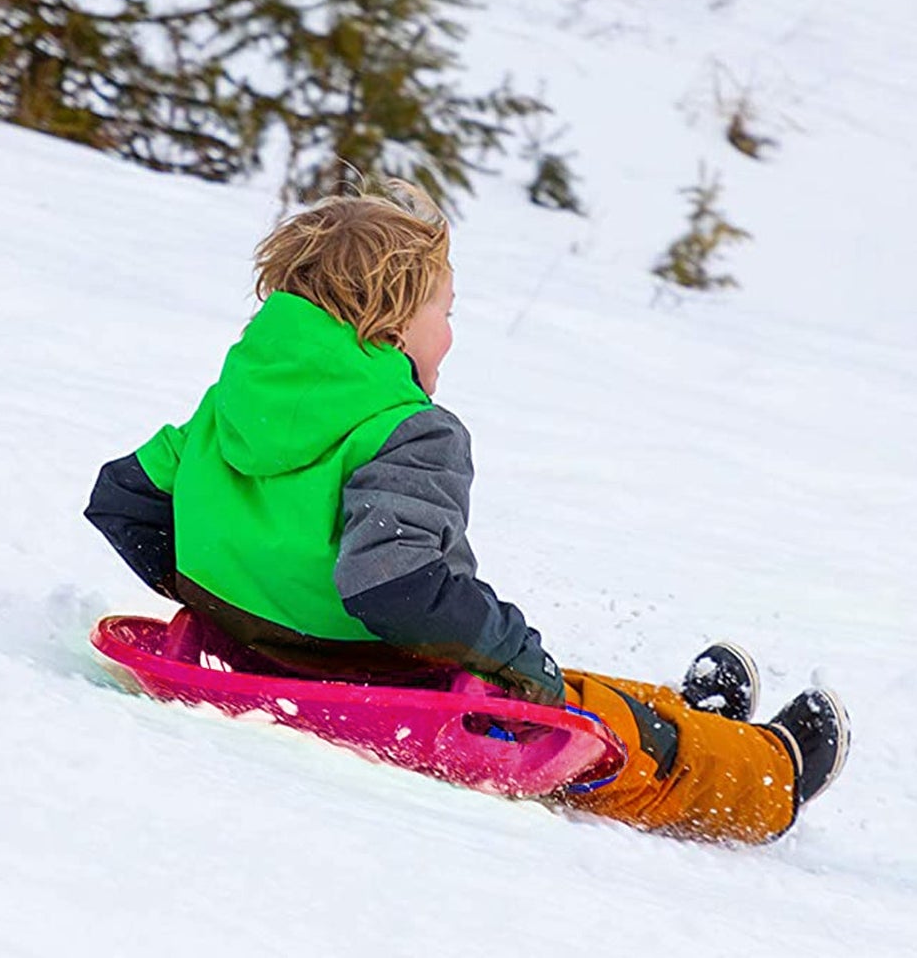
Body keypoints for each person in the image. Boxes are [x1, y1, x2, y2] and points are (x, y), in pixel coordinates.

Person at [85, 181, 849, 843]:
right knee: (590, 723)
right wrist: (514, 649)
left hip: (260, 657)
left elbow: (124, 499)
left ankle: (697, 717)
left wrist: (226, 595)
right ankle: (766, 773)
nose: (450, 333)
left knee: (549, 678)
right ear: (392, 326)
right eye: (444, 311)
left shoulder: (231, 405)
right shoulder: (402, 429)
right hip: (382, 676)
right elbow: (397, 586)